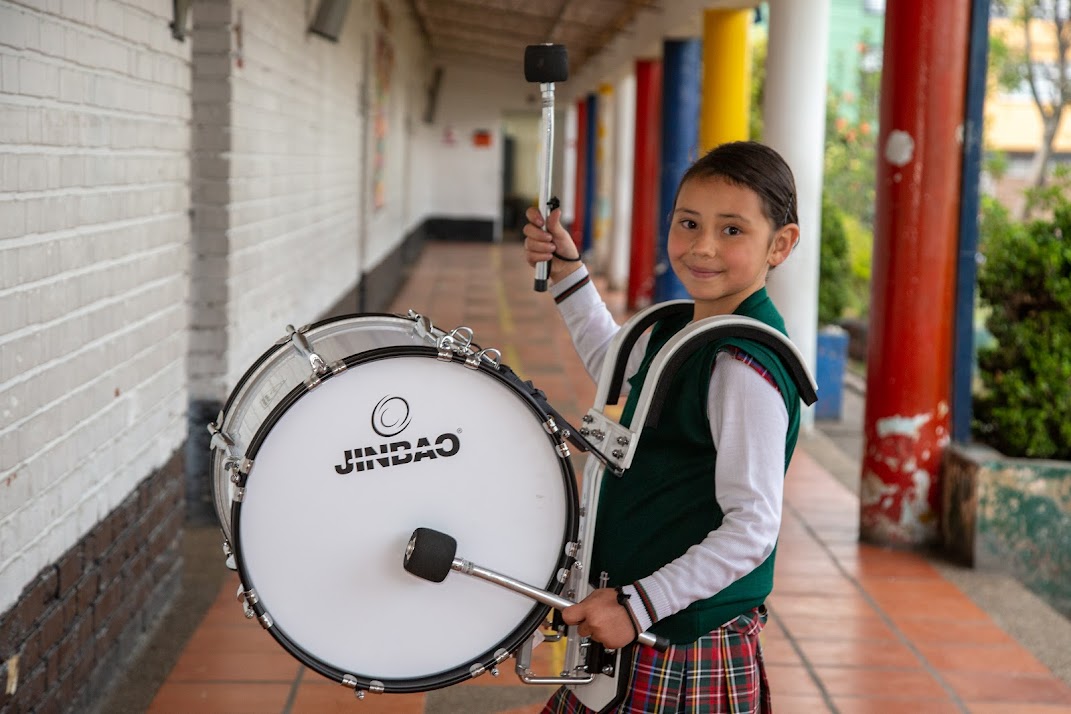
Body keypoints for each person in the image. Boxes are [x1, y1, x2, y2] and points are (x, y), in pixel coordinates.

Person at [521, 141, 804, 713]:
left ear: (781, 244)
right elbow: (615, 366)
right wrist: (569, 272)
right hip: (640, 628)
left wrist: (637, 605)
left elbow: (752, 527)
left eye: (732, 231)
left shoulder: (741, 364)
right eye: (689, 223)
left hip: (680, 642)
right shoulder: (686, 330)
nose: (702, 247)